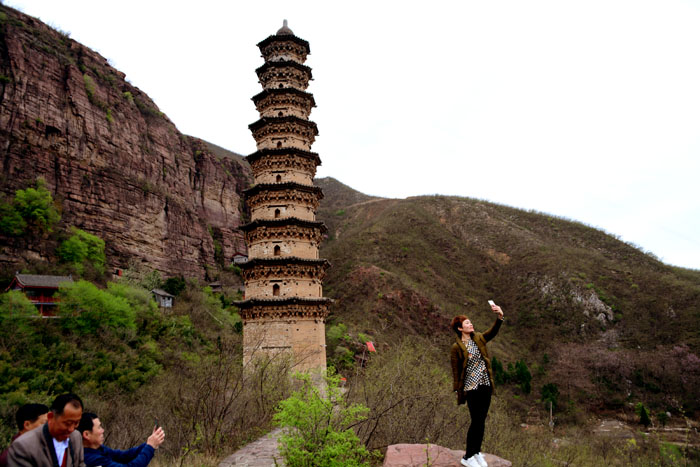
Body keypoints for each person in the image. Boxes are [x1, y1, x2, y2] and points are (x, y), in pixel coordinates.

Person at [450, 302, 504, 467]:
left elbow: (492, 332)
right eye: (467, 323)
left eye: (470, 322)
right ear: (460, 328)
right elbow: (456, 370)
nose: (470, 324)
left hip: (485, 384)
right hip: (471, 387)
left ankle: (476, 452)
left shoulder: (479, 338)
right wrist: (458, 390)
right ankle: (467, 457)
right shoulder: (456, 347)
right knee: (476, 421)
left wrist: (500, 316)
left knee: (481, 420)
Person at [8, 393, 85, 467]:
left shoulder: (76, 437)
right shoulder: (24, 446)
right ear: (50, 417)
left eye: (76, 423)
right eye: (67, 423)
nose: (71, 429)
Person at [79, 413, 164, 467]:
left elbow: (123, 456)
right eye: (99, 427)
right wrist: (150, 447)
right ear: (86, 434)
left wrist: (149, 443)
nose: (103, 430)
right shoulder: (91, 460)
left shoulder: (99, 449)